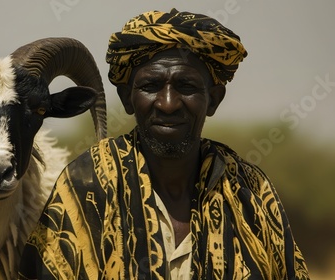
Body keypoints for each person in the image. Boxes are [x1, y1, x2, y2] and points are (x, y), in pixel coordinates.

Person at [18, 8, 309, 279]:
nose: (168, 104)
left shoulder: (250, 192)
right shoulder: (88, 184)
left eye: (186, 86)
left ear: (214, 101)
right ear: (126, 100)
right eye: (150, 86)